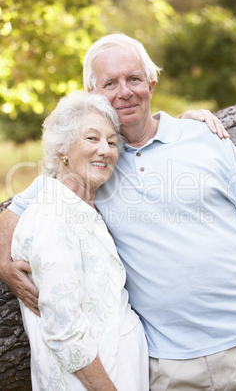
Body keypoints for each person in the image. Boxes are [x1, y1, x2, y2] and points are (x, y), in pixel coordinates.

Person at [2, 33, 236, 390]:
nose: (124, 91)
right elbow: (16, 208)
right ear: (93, 95)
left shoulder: (203, 136)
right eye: (110, 83)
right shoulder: (94, 164)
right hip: (170, 367)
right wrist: (4, 261)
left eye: (134, 79)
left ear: (151, 84)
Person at [11, 90, 149, 390]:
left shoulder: (83, 208)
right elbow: (65, 331)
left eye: (112, 142)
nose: (105, 150)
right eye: (92, 138)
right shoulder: (54, 218)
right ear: (62, 149)